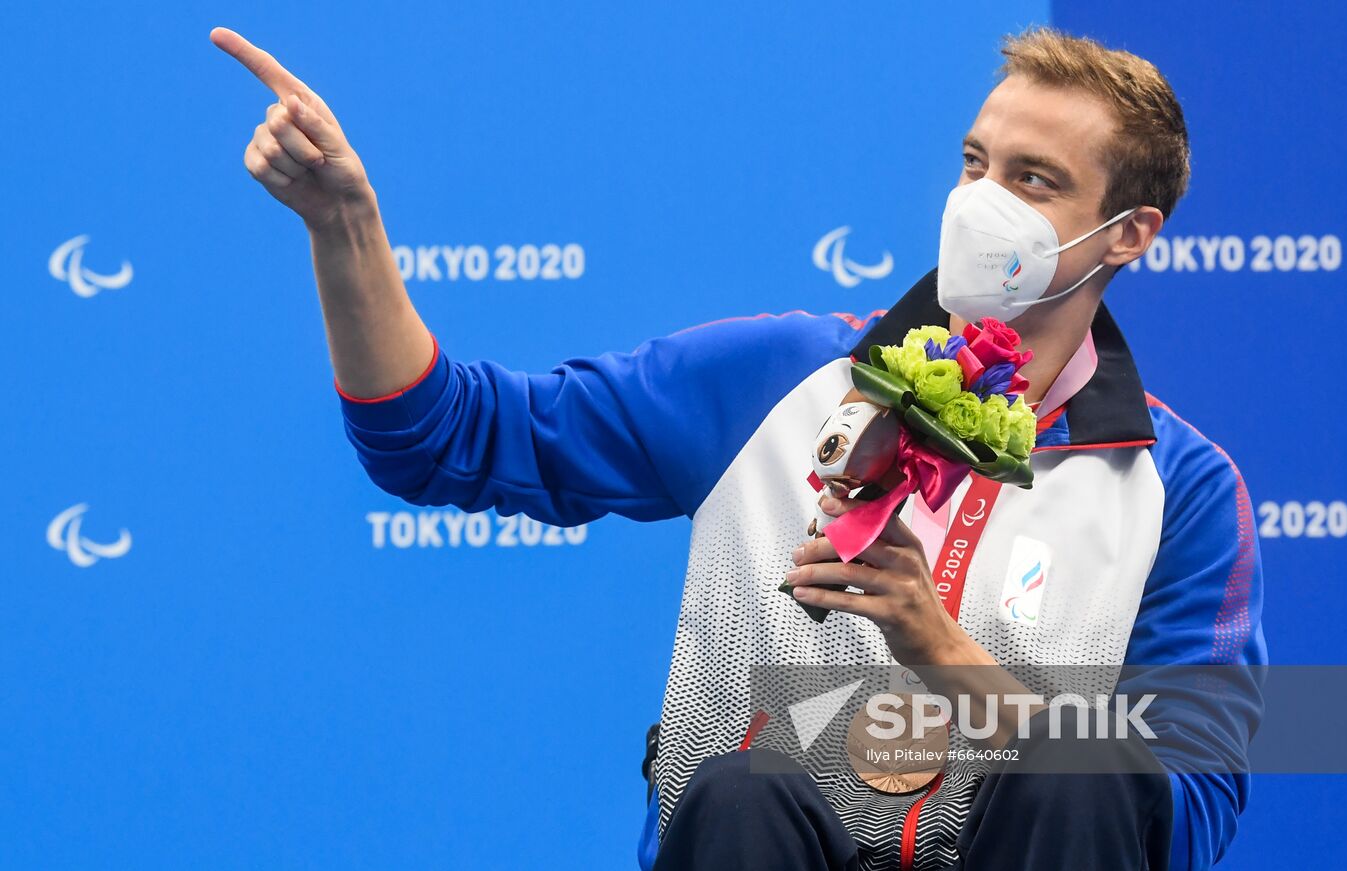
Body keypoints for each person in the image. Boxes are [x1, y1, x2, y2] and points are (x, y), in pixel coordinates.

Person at [212, 22, 1265, 871]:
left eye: (1032, 181)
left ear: (1128, 232)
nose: (980, 202)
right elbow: (437, 439)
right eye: (973, 163)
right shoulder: (777, 377)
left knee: (1084, 767)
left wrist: (942, 654)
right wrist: (342, 226)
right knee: (739, 788)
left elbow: (1184, 808)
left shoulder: (1179, 488)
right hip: (765, 851)